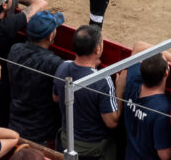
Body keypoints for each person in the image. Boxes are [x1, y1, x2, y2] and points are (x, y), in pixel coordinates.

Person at [52, 26, 121, 159]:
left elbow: (55, 97)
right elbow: (112, 122)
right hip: (92, 148)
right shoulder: (102, 80)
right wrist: (120, 89)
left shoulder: (63, 67)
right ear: (98, 49)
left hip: (66, 139)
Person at [7, 11, 66, 148]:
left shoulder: (15, 49)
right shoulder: (54, 63)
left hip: (15, 126)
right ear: (51, 35)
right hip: (42, 135)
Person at [122, 44, 171, 160]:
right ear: (166, 73)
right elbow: (165, 155)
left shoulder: (133, 79)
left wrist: (159, 54)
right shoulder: (163, 109)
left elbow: (138, 46)